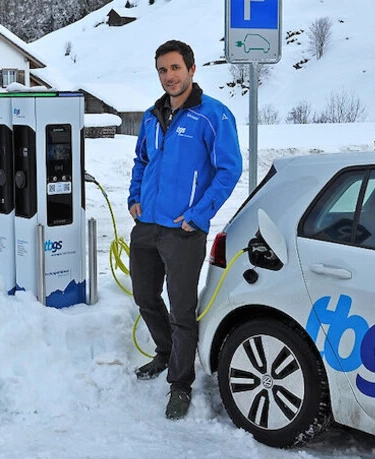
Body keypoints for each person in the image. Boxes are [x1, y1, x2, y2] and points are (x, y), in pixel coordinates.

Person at [128, 40, 242, 420]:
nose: (169, 77)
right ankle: (165, 352)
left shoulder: (213, 115)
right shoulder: (151, 115)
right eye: (162, 70)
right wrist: (134, 197)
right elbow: (141, 160)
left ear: (191, 70)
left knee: (182, 310)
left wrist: (199, 213)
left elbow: (229, 169)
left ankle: (181, 383)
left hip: (183, 230)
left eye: (175, 68)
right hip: (147, 226)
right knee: (145, 296)